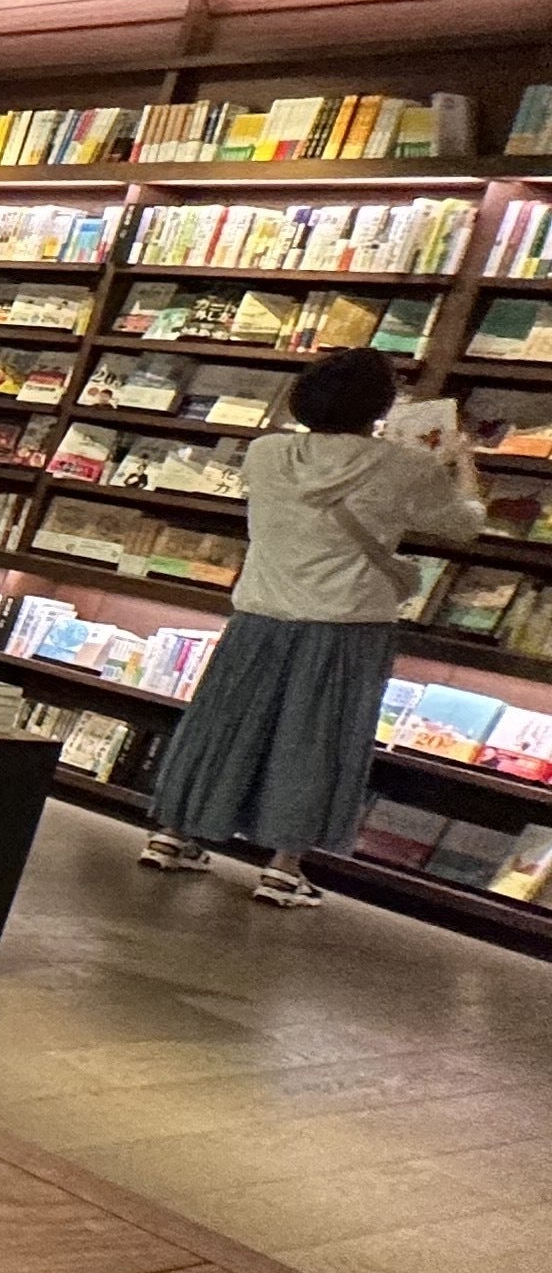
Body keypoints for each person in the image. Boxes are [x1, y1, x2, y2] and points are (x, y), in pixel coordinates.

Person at [140, 346, 485, 907]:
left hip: (261, 615)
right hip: (347, 624)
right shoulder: (405, 466)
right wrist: (462, 462)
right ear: (380, 406)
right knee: (318, 741)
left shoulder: (266, 453)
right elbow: (464, 525)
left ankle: (173, 834)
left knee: (223, 726)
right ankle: (283, 867)